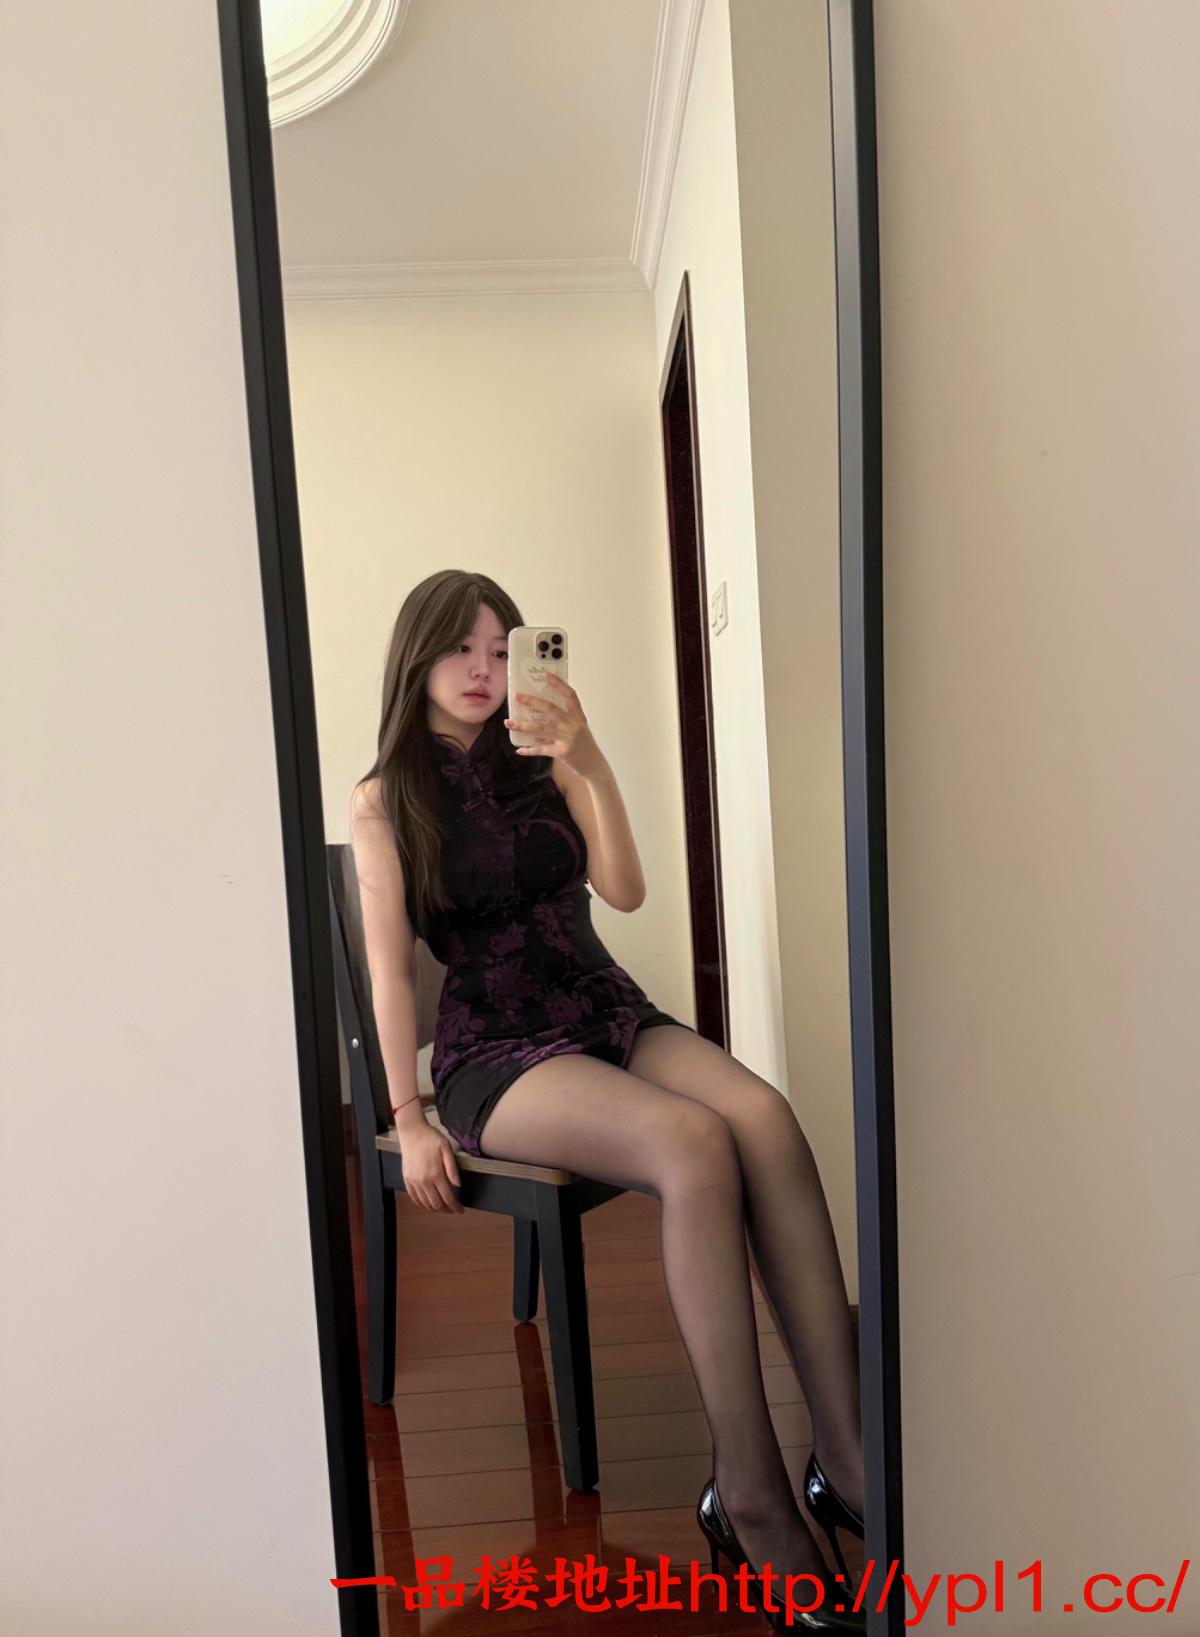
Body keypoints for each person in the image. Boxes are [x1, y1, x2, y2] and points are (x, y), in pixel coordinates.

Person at [348, 568, 866, 1634]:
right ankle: (751, 1498)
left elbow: (624, 889)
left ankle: (849, 1459)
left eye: (503, 648)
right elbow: (391, 972)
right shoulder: (384, 797)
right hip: (497, 1051)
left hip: (602, 1004)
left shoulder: (547, 755)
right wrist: (405, 1114)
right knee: (692, 1143)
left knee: (764, 1118)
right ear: (418, 657)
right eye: (461, 648)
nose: (485, 669)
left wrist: (587, 759)